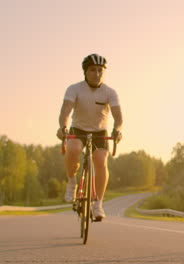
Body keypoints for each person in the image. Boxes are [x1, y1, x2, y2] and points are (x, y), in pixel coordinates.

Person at [56, 53, 123, 221]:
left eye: (100, 70)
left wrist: (117, 130)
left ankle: (97, 204)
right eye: (93, 70)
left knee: (100, 161)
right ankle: (72, 182)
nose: (97, 73)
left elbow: (118, 118)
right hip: (78, 129)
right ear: (85, 72)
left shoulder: (110, 92)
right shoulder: (74, 89)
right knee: (74, 148)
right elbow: (65, 112)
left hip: (99, 132)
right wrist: (63, 127)